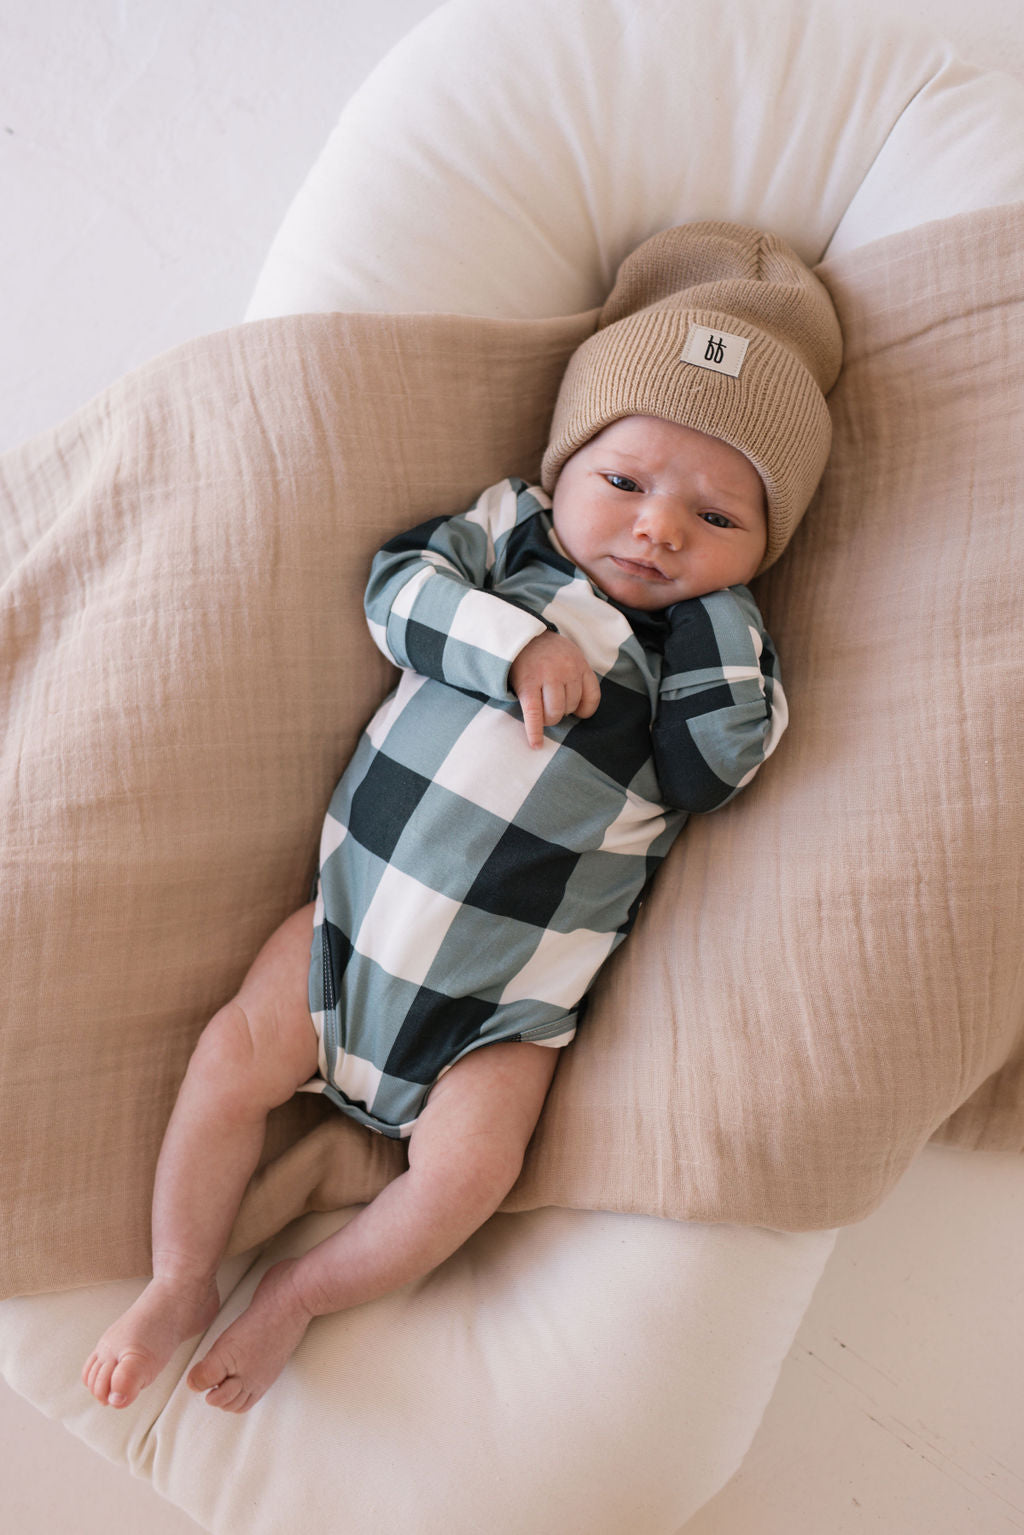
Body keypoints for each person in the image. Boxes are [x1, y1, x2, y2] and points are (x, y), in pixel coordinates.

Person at [83, 221, 842, 1414]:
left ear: (763, 550)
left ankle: (295, 1293)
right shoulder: (509, 538)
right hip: (343, 933)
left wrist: (711, 618)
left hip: (500, 1014)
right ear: (565, 467)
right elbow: (397, 590)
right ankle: (180, 1274)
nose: (657, 529)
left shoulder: (722, 648)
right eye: (627, 483)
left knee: (465, 1178)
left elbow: (712, 771)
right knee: (232, 1058)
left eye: (717, 518)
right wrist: (516, 643)